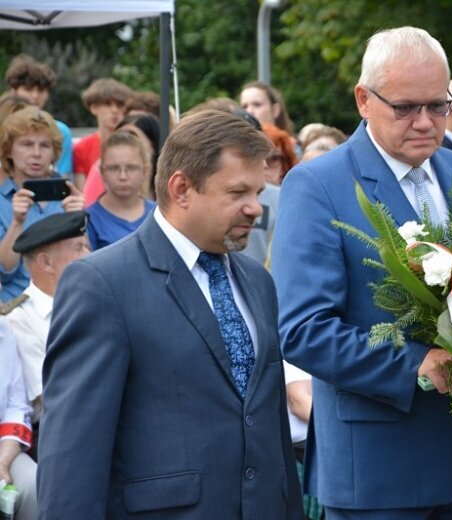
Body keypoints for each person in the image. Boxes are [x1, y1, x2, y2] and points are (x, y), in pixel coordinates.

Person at [272, 26, 452, 519]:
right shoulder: (317, 185)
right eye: (405, 107)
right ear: (363, 99)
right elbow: (302, 330)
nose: (425, 122)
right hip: (380, 470)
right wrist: (416, 364)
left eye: (438, 105)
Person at [36, 109, 304, 518]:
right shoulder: (102, 283)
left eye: (258, 192)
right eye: (237, 193)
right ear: (181, 188)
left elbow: (268, 427)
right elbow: (73, 455)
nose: (256, 208)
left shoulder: (257, 281)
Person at [2, 211, 90, 423]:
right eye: (79, 248)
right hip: (62, 428)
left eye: (87, 246)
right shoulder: (19, 319)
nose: (89, 255)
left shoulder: (95, 301)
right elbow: (50, 396)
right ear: (46, 263)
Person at [0, 106, 84, 301]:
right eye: (27, 144)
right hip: (18, 308)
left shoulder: (69, 194)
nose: (36, 153)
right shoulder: (2, 199)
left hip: (68, 302)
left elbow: (87, 262)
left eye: (45, 145)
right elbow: (4, 272)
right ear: (9, 150)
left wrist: (79, 220)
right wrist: (17, 223)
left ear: (54, 152)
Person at [4, 54, 73, 178]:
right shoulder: (3, 126)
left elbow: (62, 175)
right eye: (28, 89)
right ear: (13, 91)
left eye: (40, 90)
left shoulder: (61, 131)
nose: (35, 96)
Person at [86, 131, 155, 250]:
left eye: (131, 168)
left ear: (145, 171)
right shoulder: (89, 220)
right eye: (114, 168)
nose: (123, 176)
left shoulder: (160, 214)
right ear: (102, 172)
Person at [82, 112, 162, 205]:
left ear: (152, 144)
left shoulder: (167, 175)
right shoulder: (101, 167)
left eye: (133, 136)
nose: (125, 142)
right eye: (120, 135)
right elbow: (88, 205)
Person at [0, 319, 36, 520]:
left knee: (31, 481)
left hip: (2, 444)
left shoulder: (4, 331)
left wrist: (3, 463)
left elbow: (17, 406)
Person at [72, 78, 133, 189]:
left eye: (120, 105)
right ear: (93, 108)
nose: (114, 110)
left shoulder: (135, 145)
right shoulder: (81, 148)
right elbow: (82, 192)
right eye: (107, 104)